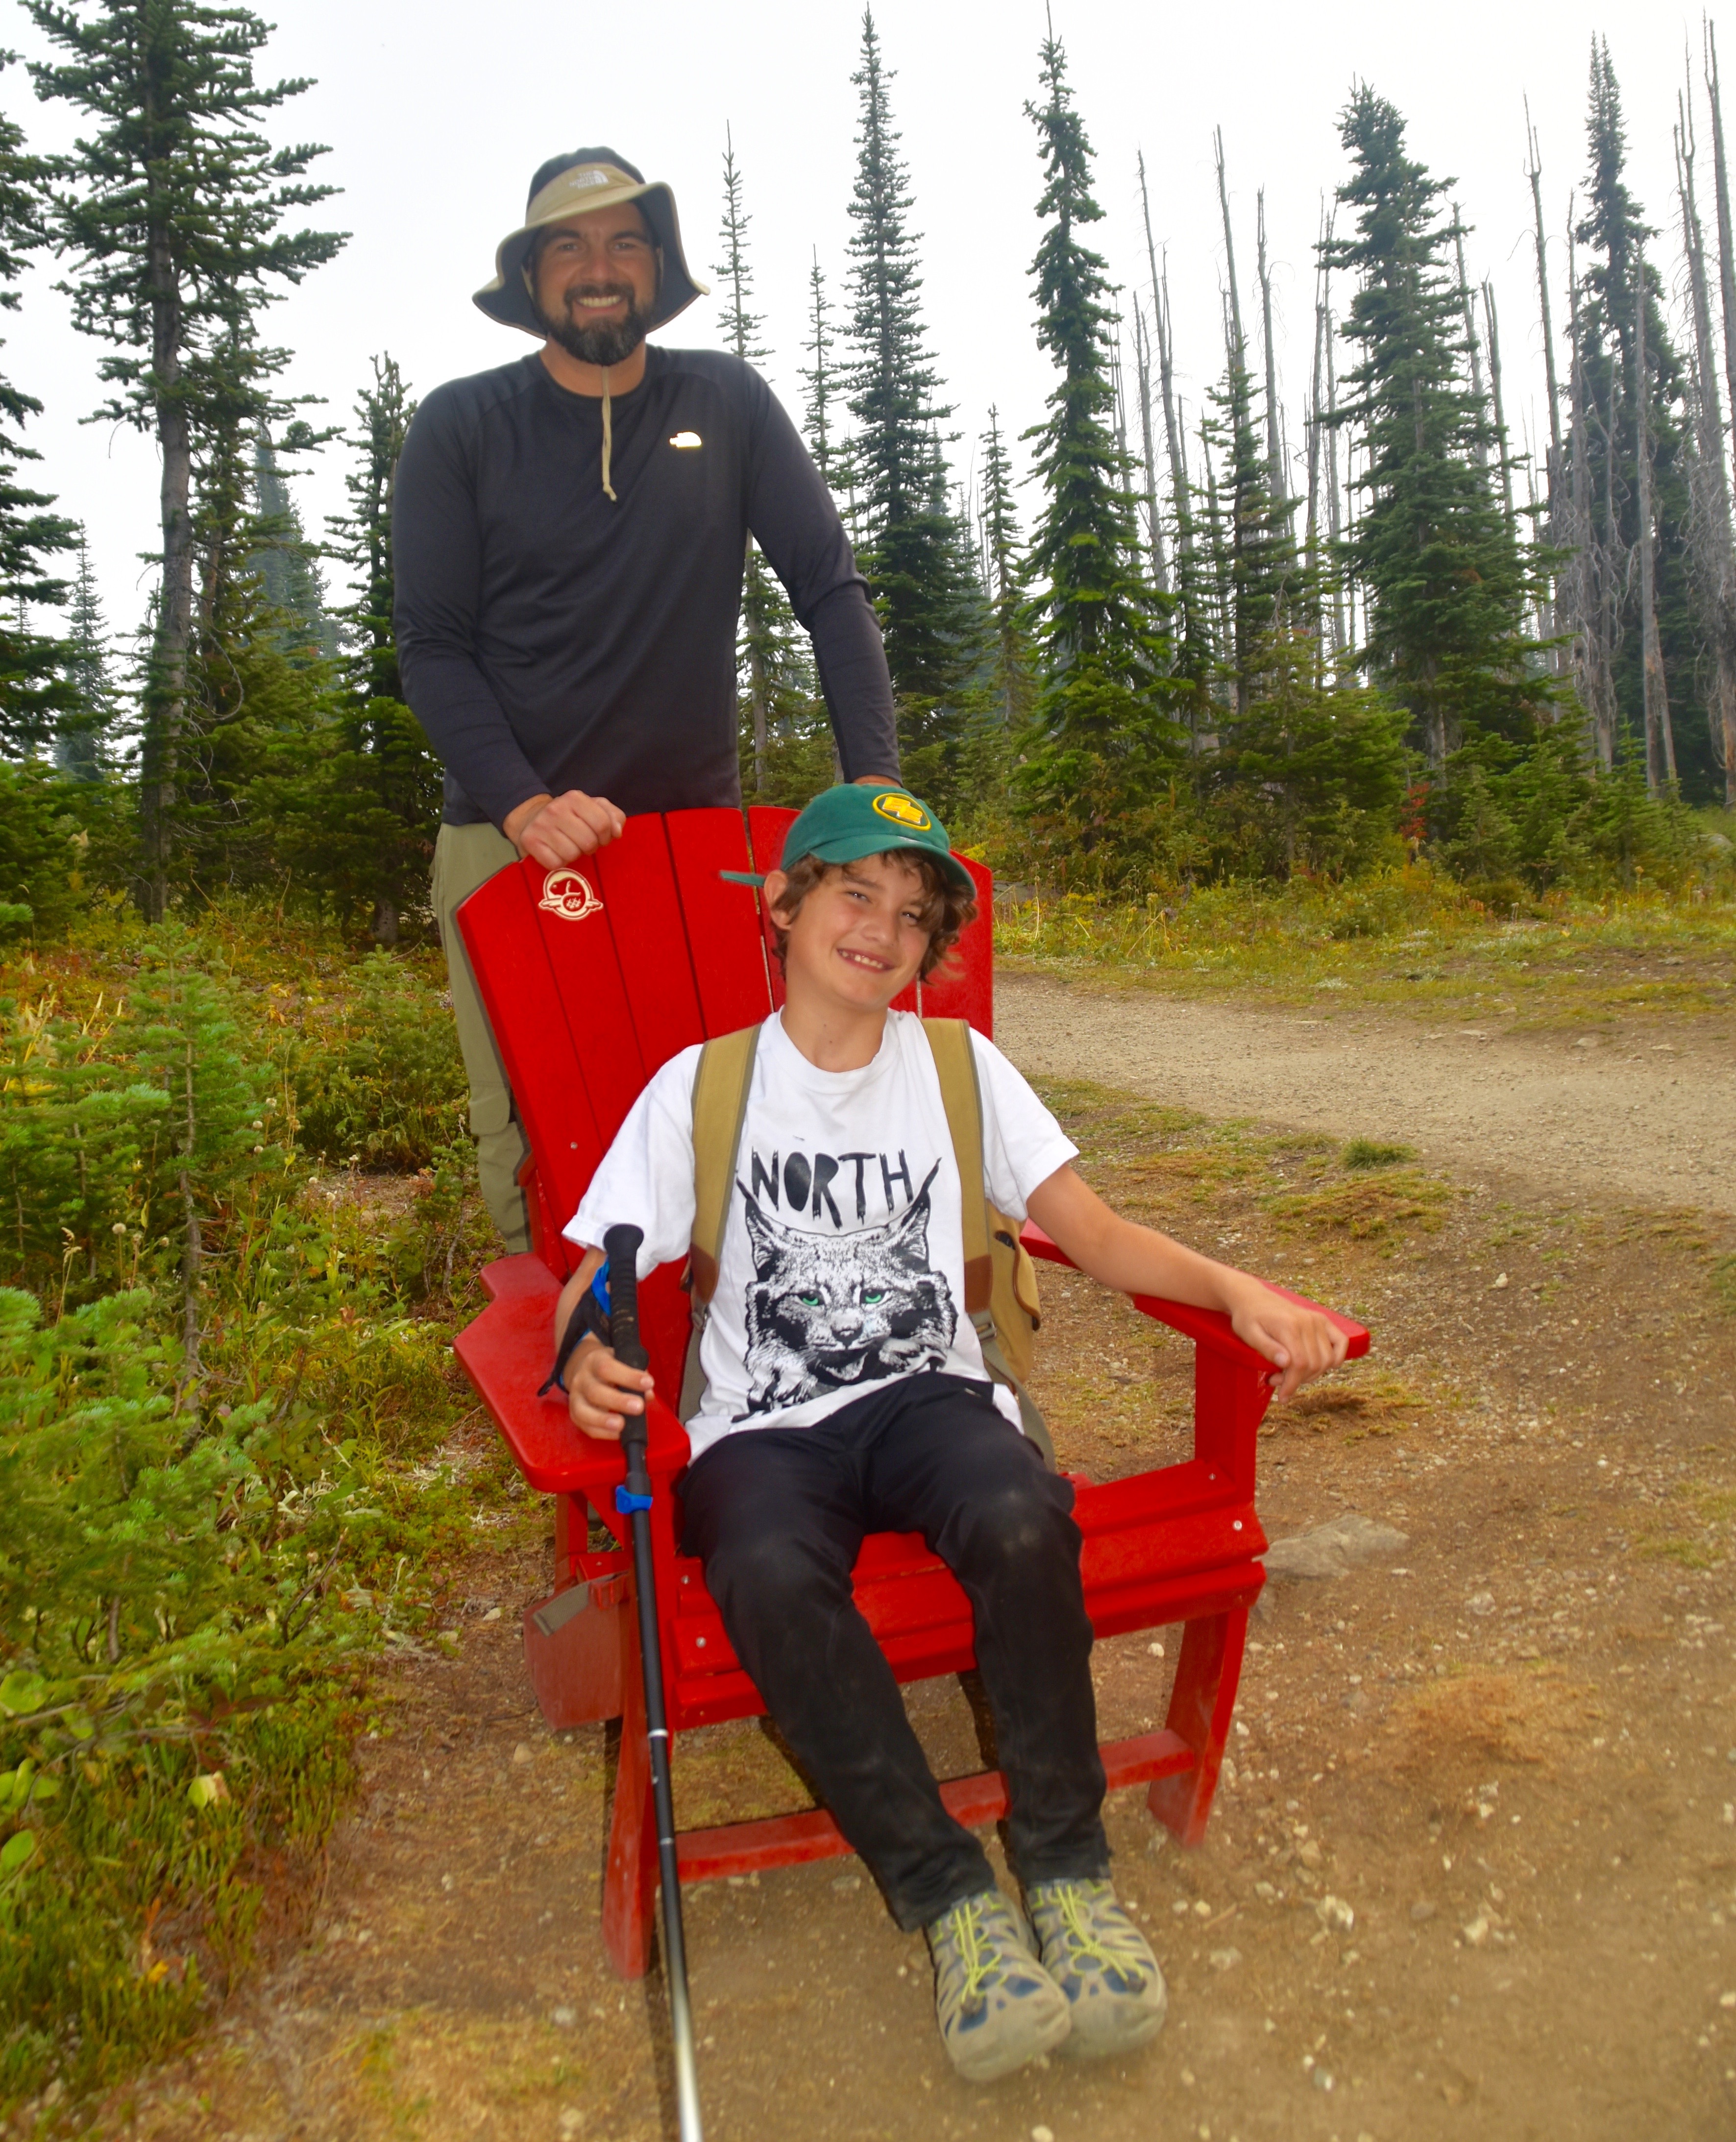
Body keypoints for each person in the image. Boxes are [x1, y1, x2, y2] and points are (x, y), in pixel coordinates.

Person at [550, 782, 1350, 2085]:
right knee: (758, 1565)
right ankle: (951, 1899)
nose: (881, 928)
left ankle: (1065, 1868)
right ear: (785, 904)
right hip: (766, 1422)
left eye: (912, 914)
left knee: (1023, 1511)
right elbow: (601, 1265)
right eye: (854, 892)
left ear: (929, 950)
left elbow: (1092, 1233)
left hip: (931, 1396)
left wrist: (1238, 1288)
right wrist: (584, 1355)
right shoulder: (704, 1086)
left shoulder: (961, 1069)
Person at [392, 147, 900, 1252]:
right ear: (531, 276)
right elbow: (432, 647)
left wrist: (878, 793)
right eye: (568, 245)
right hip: (509, 840)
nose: (598, 266)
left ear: (655, 266)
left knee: (721, 1099)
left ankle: (726, 1355)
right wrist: (527, 807)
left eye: (625, 240)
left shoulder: (722, 401)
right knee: (529, 1118)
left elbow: (828, 586)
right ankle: (571, 1362)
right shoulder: (461, 426)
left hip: (689, 842)